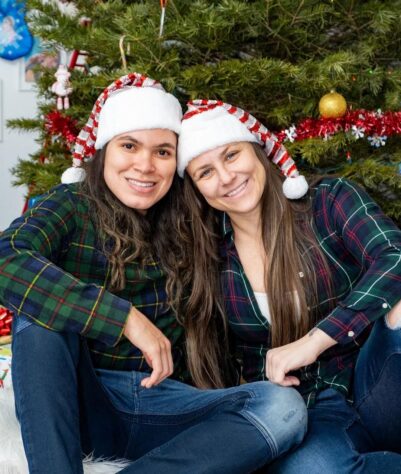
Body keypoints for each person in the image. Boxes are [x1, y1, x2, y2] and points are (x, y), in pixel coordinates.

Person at [0, 75, 307, 474]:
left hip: (163, 406)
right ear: (105, 152)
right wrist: (124, 319)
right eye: (129, 146)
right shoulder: (72, 205)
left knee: (283, 408)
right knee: (40, 316)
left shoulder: (193, 216)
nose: (145, 165)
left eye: (162, 152)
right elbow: (7, 258)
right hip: (81, 401)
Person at [178, 99, 401, 473]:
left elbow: (394, 255)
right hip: (312, 412)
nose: (226, 177)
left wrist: (315, 340)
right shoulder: (209, 257)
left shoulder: (327, 202)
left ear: (259, 152)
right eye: (205, 172)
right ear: (197, 187)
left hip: (376, 378)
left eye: (232, 155)